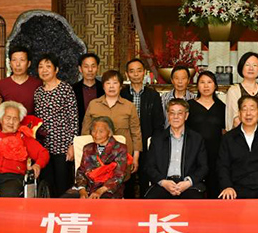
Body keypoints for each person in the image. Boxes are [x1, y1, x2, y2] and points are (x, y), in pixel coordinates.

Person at [0, 101, 50, 197]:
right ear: (1, 119)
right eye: (8, 118)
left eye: (15, 119)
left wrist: (37, 165)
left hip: (13, 177)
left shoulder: (24, 137)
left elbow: (43, 153)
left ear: (19, 121)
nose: (11, 122)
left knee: (10, 194)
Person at [142, 99, 209, 198]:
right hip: (163, 183)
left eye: (180, 113)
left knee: (195, 203)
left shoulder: (196, 139)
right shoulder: (157, 139)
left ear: (186, 116)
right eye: (172, 113)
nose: (176, 117)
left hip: (188, 185)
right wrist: (163, 182)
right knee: (151, 202)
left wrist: (188, 182)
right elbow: (149, 167)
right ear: (168, 115)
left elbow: (203, 167)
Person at [33, 54, 78, 196]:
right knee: (47, 183)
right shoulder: (38, 92)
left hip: (62, 145)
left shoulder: (65, 89)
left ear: (56, 69)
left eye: (48, 66)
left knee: (62, 183)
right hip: (44, 146)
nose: (44, 70)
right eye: (41, 67)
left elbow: (73, 118)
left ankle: (63, 208)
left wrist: (72, 145)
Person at [83, 69, 143, 170]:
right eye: (108, 83)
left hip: (123, 157)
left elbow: (136, 134)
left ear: (120, 86)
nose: (111, 86)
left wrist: (135, 158)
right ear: (103, 86)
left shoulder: (129, 106)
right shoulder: (93, 104)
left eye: (115, 83)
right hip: (98, 157)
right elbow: (85, 131)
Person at [122, 58, 165, 197]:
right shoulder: (122, 94)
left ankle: (145, 207)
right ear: (127, 74)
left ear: (144, 73)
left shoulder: (153, 95)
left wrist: (154, 144)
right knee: (126, 180)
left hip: (147, 142)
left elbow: (159, 123)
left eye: (139, 71)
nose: (135, 74)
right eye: (132, 71)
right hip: (127, 143)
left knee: (146, 179)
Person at [187, 71, 227, 198]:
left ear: (215, 86)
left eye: (209, 82)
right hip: (194, 153)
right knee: (194, 189)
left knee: (215, 187)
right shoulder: (189, 106)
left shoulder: (222, 107)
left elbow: (224, 131)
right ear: (197, 86)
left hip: (216, 153)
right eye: (202, 82)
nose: (206, 86)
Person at [76, 116, 130, 199]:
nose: (97, 135)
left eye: (101, 131)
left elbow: (119, 176)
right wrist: (82, 191)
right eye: (94, 131)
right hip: (88, 187)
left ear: (110, 133)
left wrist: (100, 191)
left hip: (109, 189)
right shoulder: (88, 148)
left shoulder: (120, 148)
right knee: (66, 200)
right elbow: (81, 171)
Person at [225, 52, 258, 130]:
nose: (251, 68)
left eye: (254, 65)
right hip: (241, 135)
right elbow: (235, 119)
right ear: (241, 67)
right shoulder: (234, 91)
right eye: (247, 65)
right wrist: (248, 135)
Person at [0, 46, 42, 116]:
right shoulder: (1, 84)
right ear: (10, 63)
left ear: (28, 63)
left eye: (22, 60)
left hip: (31, 122)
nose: (18, 64)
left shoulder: (37, 84)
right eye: (14, 60)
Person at [72, 52, 101, 132]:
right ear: (80, 69)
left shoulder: (104, 88)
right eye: (86, 66)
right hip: (79, 132)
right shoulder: (72, 89)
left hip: (101, 132)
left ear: (97, 68)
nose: (90, 70)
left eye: (93, 66)